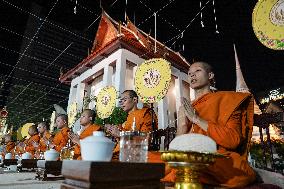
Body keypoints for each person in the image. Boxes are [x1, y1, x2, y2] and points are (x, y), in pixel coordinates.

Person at [149, 61, 256, 188]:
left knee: (229, 168)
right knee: (143, 159)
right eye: (189, 73)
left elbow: (233, 140)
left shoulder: (227, 100)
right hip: (186, 156)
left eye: (197, 71)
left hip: (214, 157)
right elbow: (176, 149)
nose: (192, 75)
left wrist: (197, 119)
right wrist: (182, 127)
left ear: (210, 75)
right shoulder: (187, 107)